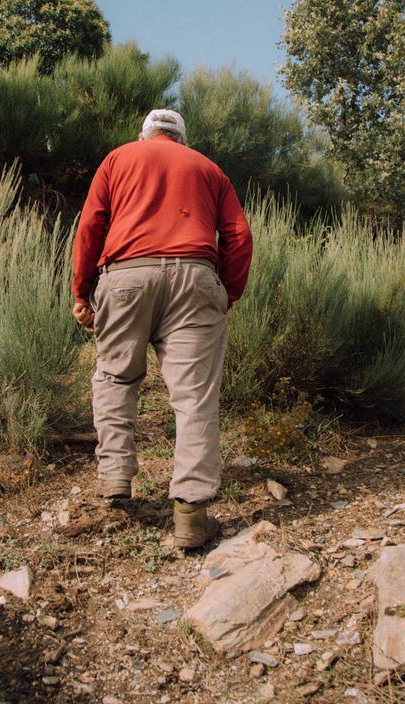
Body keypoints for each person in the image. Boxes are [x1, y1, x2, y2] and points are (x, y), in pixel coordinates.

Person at [71, 109, 253, 548]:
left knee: (116, 376)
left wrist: (82, 290)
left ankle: (115, 480)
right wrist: (227, 291)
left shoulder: (118, 158)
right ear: (181, 138)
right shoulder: (209, 169)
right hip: (195, 277)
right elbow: (239, 236)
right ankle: (190, 513)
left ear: (146, 135)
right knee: (194, 397)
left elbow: (91, 225)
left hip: (127, 276)